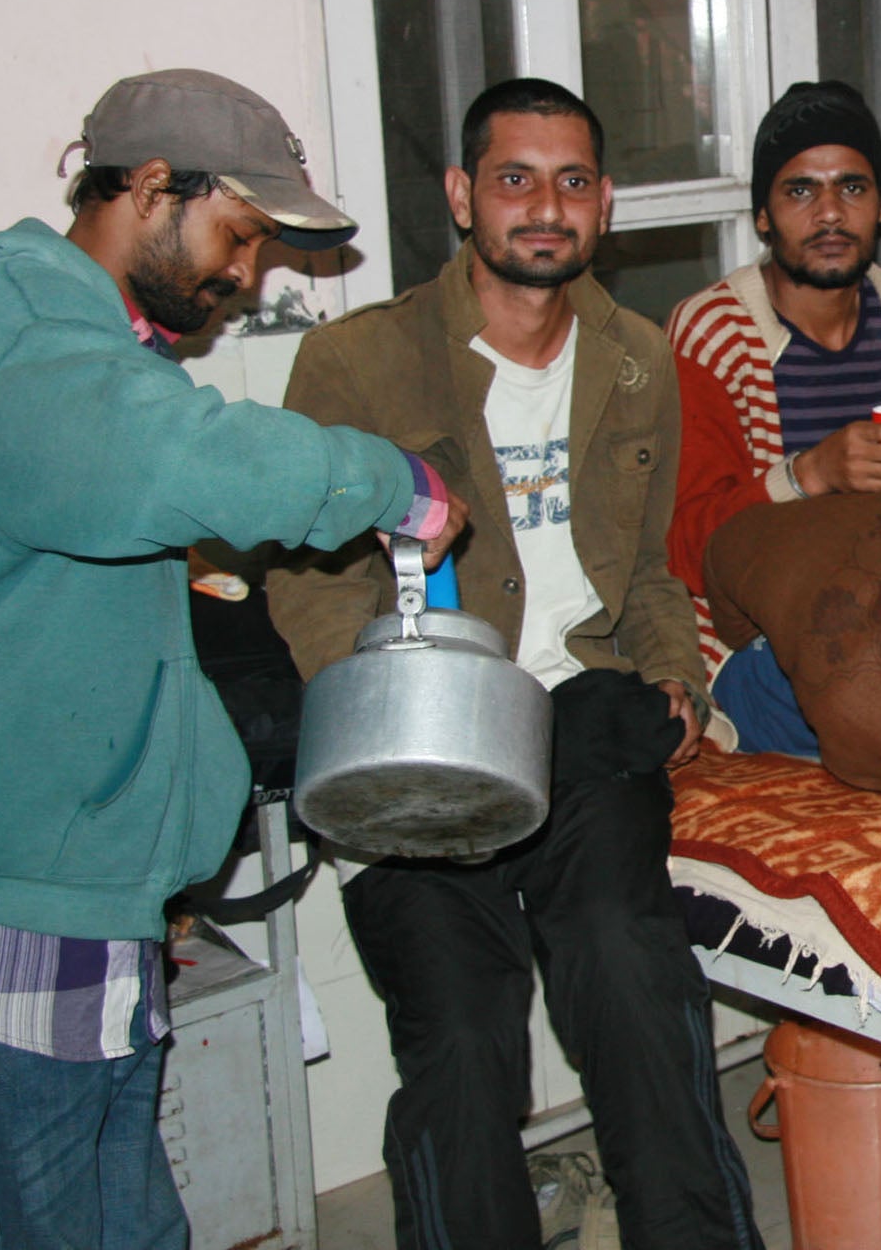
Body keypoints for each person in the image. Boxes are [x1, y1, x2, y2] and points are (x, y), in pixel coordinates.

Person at [0, 68, 464, 1250]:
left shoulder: (77, 343)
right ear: (153, 188)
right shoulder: (26, 336)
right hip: (14, 914)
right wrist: (395, 484)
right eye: (236, 235)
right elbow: (188, 460)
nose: (245, 275)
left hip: (91, 902)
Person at [266, 78, 762, 1250]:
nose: (546, 207)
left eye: (573, 182)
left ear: (605, 205)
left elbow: (641, 570)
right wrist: (400, 716)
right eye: (515, 179)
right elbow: (307, 579)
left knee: (631, 974)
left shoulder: (639, 358)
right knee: (461, 1030)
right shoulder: (356, 365)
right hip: (420, 740)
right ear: (460, 195)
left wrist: (670, 678)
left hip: (586, 721)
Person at [666, 79, 881, 753]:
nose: (828, 213)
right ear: (763, 216)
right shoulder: (715, 332)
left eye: (852, 188)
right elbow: (685, 551)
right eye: (799, 191)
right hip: (757, 646)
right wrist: (809, 473)